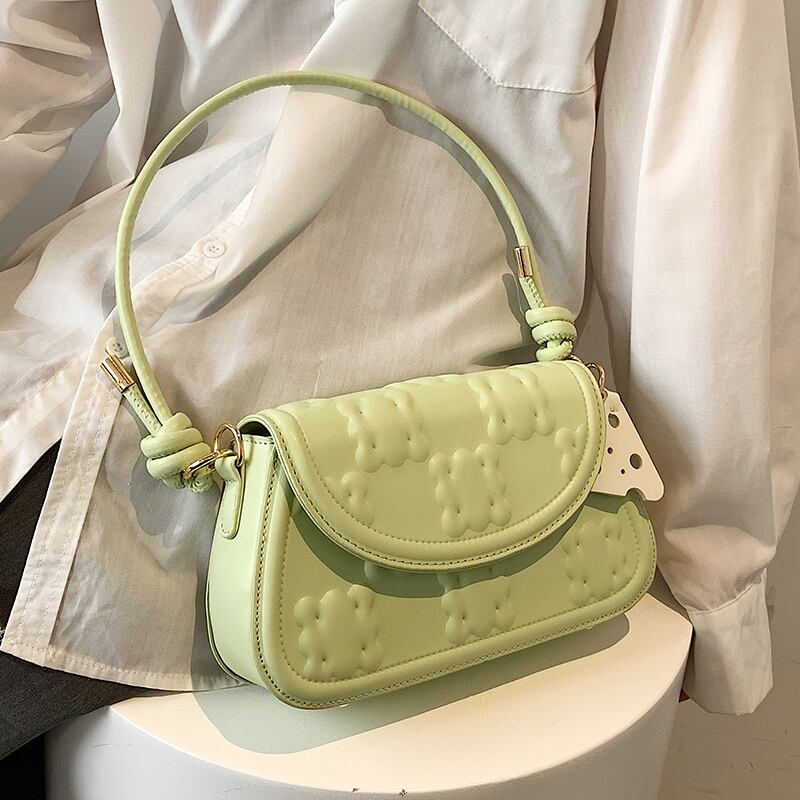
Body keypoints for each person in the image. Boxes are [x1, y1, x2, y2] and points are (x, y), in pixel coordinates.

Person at [1, 0, 798, 757]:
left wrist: (713, 590)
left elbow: (704, 194)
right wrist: (714, 594)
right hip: (98, 337)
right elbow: (31, 51)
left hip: (375, 428)